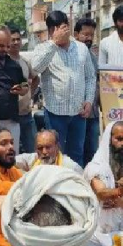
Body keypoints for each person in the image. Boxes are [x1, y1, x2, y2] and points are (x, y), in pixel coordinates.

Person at [30, 10, 96, 166]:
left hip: (78, 112)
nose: (58, 32)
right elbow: (36, 68)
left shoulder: (81, 48)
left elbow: (90, 77)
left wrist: (89, 100)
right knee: (55, 154)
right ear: (50, 30)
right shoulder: (43, 48)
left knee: (76, 154)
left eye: (62, 28)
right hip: (55, 112)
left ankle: (75, 186)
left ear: (67, 26)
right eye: (53, 29)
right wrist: (53, 43)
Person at [74, 17, 101, 166]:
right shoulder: (73, 54)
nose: (89, 38)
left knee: (92, 152)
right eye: (85, 34)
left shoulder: (94, 56)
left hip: (93, 113)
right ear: (76, 34)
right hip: (78, 112)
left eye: (91, 35)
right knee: (77, 152)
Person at [8, 27, 38, 154]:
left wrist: (29, 94)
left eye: (18, 39)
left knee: (33, 150)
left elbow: (35, 79)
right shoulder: (3, 63)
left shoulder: (25, 61)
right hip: (9, 116)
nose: (15, 42)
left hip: (26, 114)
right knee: (12, 153)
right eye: (12, 40)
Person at [15, 129, 83, 175]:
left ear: (57, 147)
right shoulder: (33, 159)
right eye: (40, 148)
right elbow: (11, 161)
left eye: (48, 147)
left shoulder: (70, 167)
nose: (44, 152)